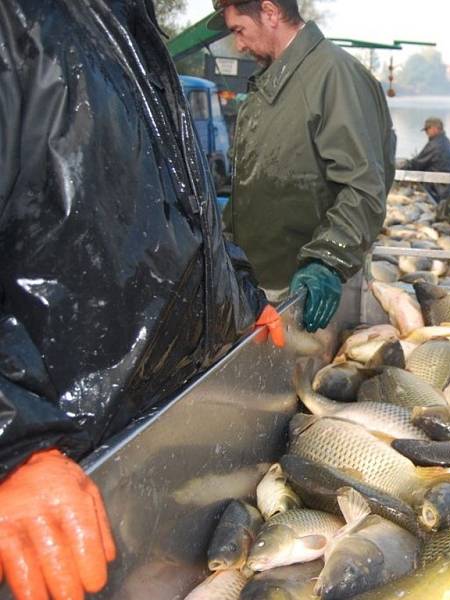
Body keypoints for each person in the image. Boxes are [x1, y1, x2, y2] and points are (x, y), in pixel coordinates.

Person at [0, 1, 283, 598]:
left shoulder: (125, 21)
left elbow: (169, 217)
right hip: (46, 483)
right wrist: (12, 446)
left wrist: (239, 300)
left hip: (132, 453)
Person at [212, 0, 397, 333]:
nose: (238, 45)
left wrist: (326, 261)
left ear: (270, 11)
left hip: (305, 294)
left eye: (239, 30)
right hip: (260, 290)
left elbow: (364, 187)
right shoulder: (269, 82)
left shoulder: (334, 74)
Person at [400, 117, 450, 202]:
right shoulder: (449, 145)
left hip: (438, 191)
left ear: (435, 128)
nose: (426, 133)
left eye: (427, 129)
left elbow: (417, 164)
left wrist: (399, 169)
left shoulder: (435, 145)